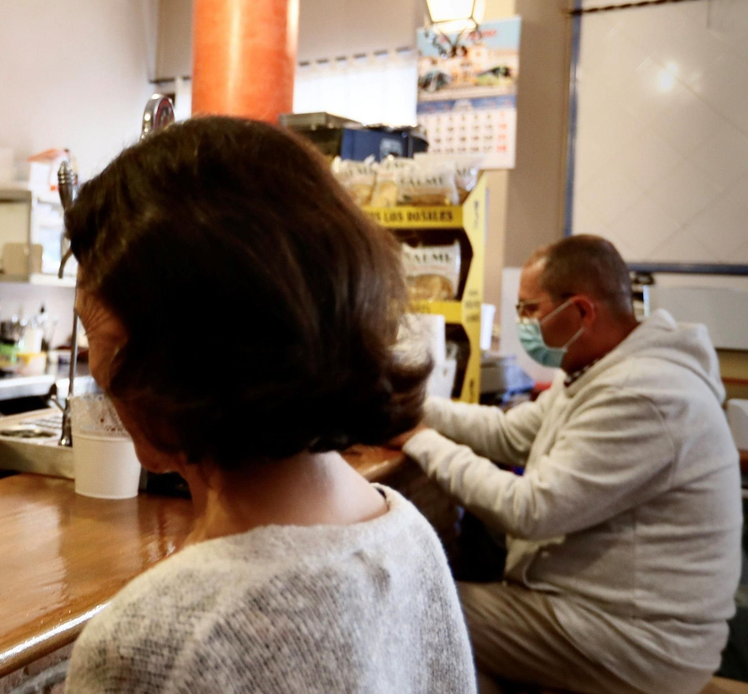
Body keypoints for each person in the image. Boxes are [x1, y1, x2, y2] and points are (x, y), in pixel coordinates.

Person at [63, 117, 474, 694]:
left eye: (92, 328)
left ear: (171, 349)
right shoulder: (407, 537)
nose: (95, 366)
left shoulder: (156, 640)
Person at [394, 234, 741, 693]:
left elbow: (530, 509)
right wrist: (412, 405)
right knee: (455, 649)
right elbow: (507, 433)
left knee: (416, 606)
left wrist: (419, 440)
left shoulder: (643, 393)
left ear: (581, 312)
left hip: (641, 643)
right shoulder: (598, 371)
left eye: (529, 310)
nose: (523, 324)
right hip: (600, 615)